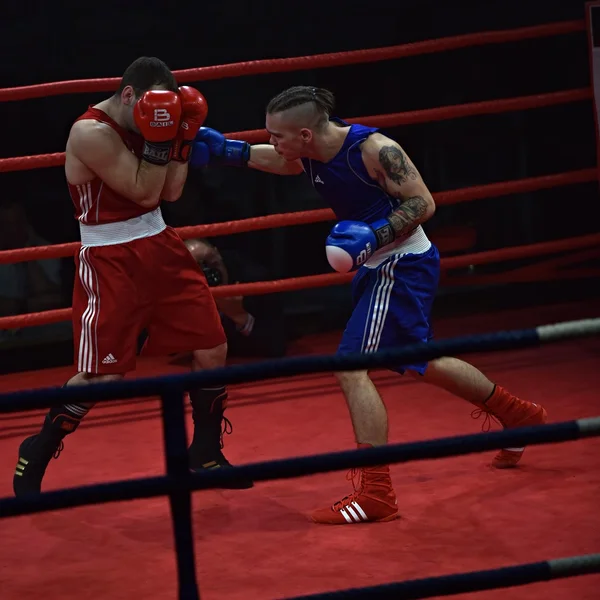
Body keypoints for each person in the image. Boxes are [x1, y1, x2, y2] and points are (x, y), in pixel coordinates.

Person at [189, 85, 548, 524]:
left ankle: (377, 493)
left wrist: (375, 234)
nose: (272, 142)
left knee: (350, 365)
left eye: (277, 135)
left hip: (400, 262)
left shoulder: (376, 149)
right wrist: (228, 151)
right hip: (379, 265)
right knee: (420, 358)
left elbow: (424, 202)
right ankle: (520, 415)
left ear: (305, 134)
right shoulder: (308, 152)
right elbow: (278, 162)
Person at [12, 57, 253, 497]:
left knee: (212, 345)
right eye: (149, 111)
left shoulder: (159, 119)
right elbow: (143, 191)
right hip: (110, 257)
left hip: (161, 243)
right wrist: (164, 138)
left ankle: (204, 452)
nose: (153, 122)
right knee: (104, 378)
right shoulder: (91, 133)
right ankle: (40, 444)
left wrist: (180, 136)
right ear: (128, 95)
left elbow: (171, 193)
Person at [183, 238, 287, 358]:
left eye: (210, 261)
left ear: (217, 253)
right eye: (197, 267)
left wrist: (240, 316)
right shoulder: (181, 288)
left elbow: (277, 345)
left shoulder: (254, 280)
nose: (208, 271)